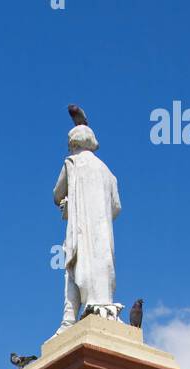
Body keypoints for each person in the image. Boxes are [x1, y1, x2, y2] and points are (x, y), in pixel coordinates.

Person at [53, 122, 121, 332]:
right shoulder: (108, 172)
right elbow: (116, 207)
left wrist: (68, 203)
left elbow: (57, 194)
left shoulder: (72, 163)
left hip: (80, 232)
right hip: (102, 235)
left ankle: (69, 320)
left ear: (73, 143)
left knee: (74, 268)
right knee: (101, 268)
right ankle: (101, 309)